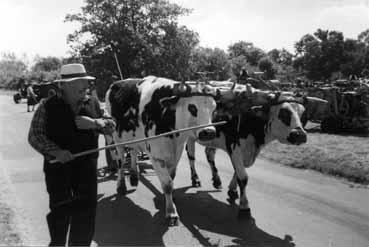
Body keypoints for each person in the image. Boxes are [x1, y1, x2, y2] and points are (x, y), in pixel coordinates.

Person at [28, 63, 115, 246]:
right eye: (79, 82)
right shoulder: (47, 106)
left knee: (86, 214)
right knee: (60, 212)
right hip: (58, 171)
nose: (85, 86)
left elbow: (111, 125)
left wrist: (95, 123)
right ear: (64, 86)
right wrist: (56, 151)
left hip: (87, 170)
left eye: (86, 81)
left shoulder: (92, 102)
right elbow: (35, 135)